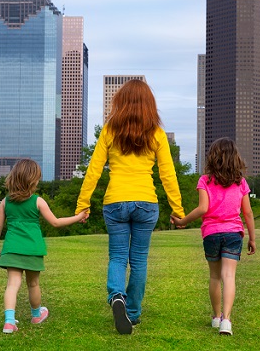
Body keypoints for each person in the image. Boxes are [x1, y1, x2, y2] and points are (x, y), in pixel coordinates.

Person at [75, 79, 185, 334]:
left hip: (115, 202)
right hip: (146, 202)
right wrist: (177, 210)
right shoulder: (156, 133)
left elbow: (93, 171)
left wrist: (83, 204)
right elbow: (168, 175)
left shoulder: (110, 130)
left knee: (117, 257)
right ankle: (133, 313)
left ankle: (117, 296)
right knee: (139, 260)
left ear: (120, 102)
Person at [170, 137, 256, 336]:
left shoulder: (205, 180)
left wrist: (182, 221)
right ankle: (227, 320)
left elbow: (203, 209)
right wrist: (252, 238)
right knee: (229, 276)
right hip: (234, 233)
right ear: (235, 158)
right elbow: (248, 213)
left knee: (215, 276)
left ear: (213, 157)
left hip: (211, 234)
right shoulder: (241, 182)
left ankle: (216, 317)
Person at [0, 158, 88, 334]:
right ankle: (36, 315)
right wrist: (78, 217)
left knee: (12, 284)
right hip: (33, 249)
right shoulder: (38, 201)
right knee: (33, 284)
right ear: (33, 180)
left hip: (12, 248)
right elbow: (56, 222)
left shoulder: (6, 202)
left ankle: (9, 322)